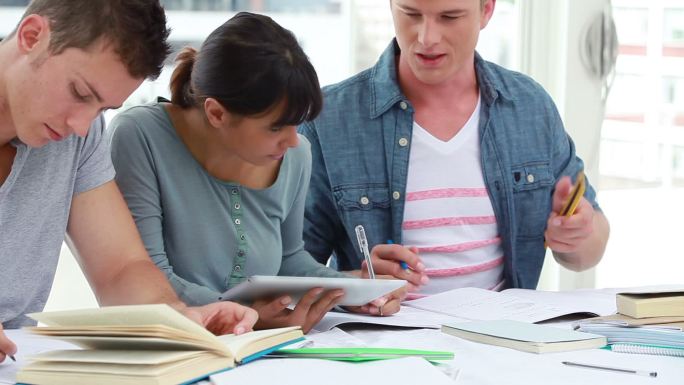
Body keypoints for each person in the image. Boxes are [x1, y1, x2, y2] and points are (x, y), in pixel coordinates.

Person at [109, 12, 402, 334]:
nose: (293, 139)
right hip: (173, 345)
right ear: (216, 113)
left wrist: (348, 293)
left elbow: (290, 259)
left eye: (296, 122)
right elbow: (147, 274)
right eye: (276, 127)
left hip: (259, 346)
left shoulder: (296, 154)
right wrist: (246, 315)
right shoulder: (140, 135)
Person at [0, 0, 258, 363]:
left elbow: (120, 267)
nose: (82, 125)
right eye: (80, 93)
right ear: (32, 36)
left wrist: (176, 317)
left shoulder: (77, 136)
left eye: (102, 109)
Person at [299, 0, 610, 298]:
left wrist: (577, 236)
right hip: (383, 346)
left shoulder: (529, 107)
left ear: (486, 10)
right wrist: (354, 284)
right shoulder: (329, 120)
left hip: (503, 339)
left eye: (449, 17)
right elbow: (288, 275)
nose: (426, 38)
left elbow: (586, 254)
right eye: (411, 14)